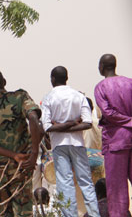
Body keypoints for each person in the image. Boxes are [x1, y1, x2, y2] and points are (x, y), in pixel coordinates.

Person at [0, 67, 41, 217]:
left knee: (5, 212)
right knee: (23, 211)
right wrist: (33, 154)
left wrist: (12, 155)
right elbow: (33, 118)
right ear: (4, 82)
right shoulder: (20, 97)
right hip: (22, 166)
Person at [41, 66, 100, 217]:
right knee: (86, 181)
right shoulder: (78, 96)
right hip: (77, 143)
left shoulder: (49, 98)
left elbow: (47, 127)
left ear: (52, 79)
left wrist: (59, 126)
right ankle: (94, 214)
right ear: (66, 78)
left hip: (59, 145)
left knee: (65, 183)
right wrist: (71, 124)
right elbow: (87, 123)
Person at [94, 54, 132, 217]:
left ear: (102, 66)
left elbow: (108, 112)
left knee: (116, 188)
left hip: (116, 140)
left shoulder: (101, 87)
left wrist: (128, 121)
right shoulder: (130, 83)